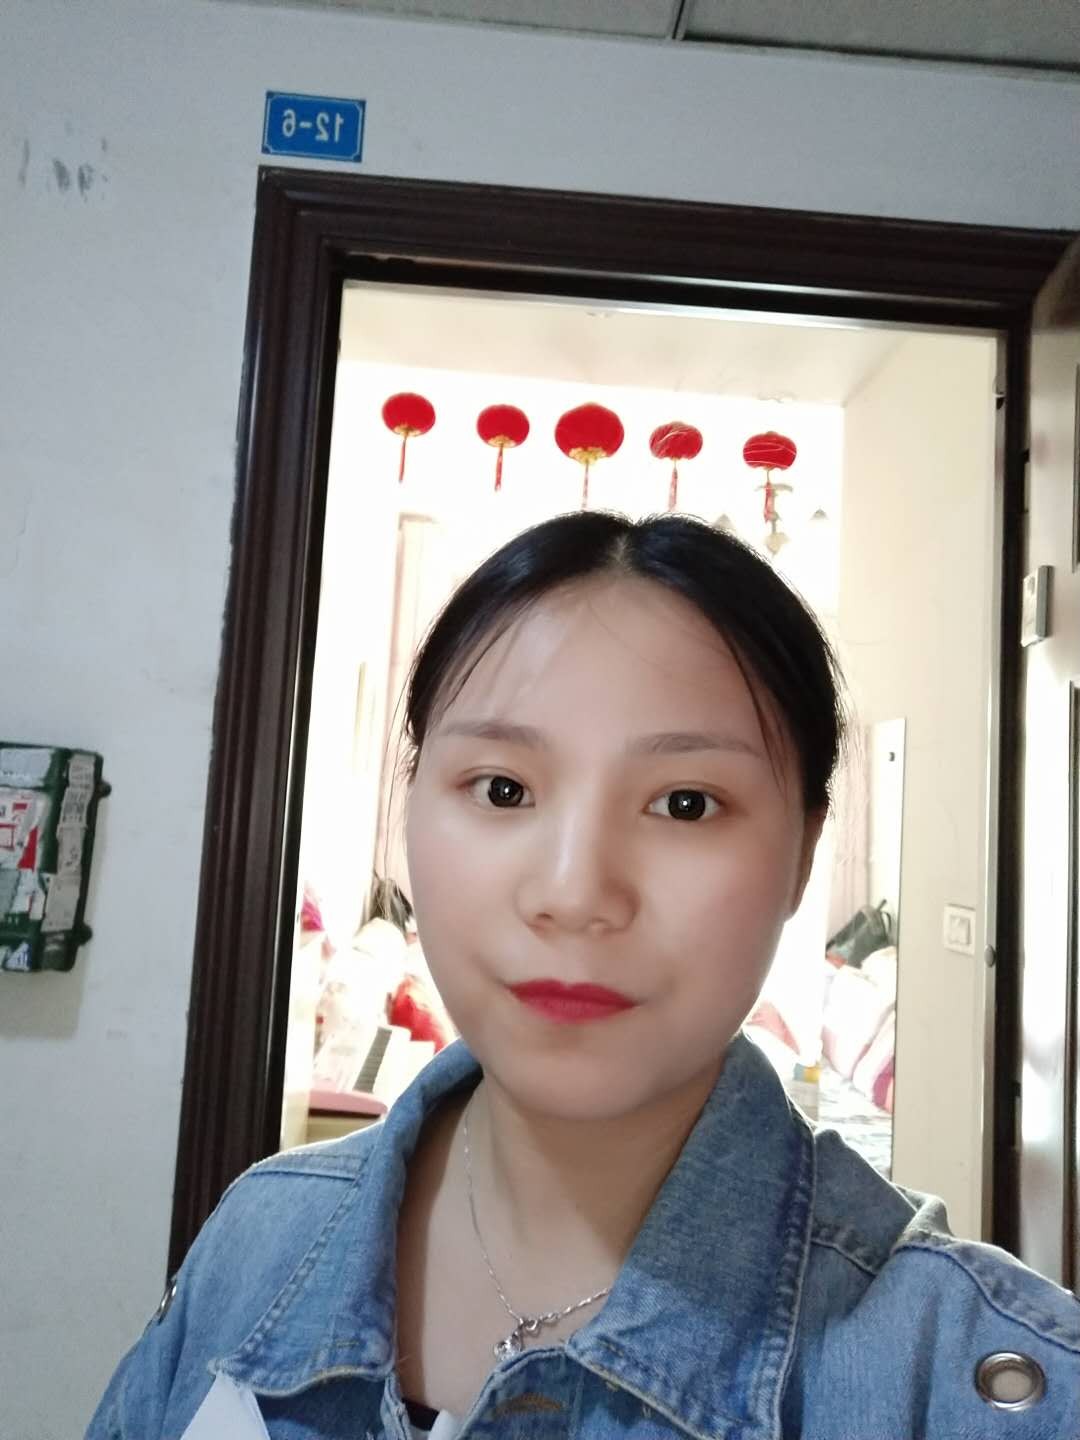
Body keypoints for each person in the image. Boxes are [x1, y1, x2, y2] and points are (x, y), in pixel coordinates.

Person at [88, 512, 1079, 1439]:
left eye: (685, 804)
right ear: (411, 805)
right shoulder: (259, 1237)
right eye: (503, 789)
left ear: (804, 854)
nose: (574, 894)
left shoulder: (975, 1382)